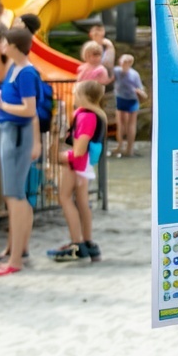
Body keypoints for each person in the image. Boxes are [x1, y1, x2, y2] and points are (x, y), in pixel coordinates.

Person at [0, 26, 41, 277]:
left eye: (6, 44)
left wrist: (0, 104)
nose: (3, 47)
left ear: (14, 46)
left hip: (17, 134)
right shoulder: (16, 69)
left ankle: (15, 259)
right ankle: (18, 252)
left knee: (15, 196)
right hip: (11, 132)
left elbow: (29, 110)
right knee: (15, 196)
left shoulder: (26, 72)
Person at [48, 80, 107, 263]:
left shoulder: (86, 117)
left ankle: (76, 242)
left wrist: (58, 157)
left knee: (65, 198)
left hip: (77, 164)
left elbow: (79, 150)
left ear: (82, 96)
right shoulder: (98, 115)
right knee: (82, 202)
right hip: (85, 165)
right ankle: (88, 242)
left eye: (75, 93)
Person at [113, 54, 147, 158]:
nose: (124, 64)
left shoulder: (134, 74)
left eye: (127, 63)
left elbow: (140, 87)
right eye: (123, 62)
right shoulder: (116, 71)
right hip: (121, 98)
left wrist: (139, 92)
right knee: (121, 123)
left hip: (132, 99)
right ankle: (120, 145)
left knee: (131, 124)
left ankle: (129, 148)